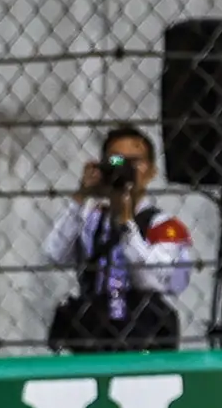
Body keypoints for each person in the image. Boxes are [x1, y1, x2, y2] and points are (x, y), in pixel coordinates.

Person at [40, 123, 193, 351]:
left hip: (143, 333)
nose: (126, 169)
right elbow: (54, 254)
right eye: (117, 161)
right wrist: (81, 197)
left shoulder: (165, 226)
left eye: (136, 162)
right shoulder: (92, 218)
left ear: (152, 171)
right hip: (93, 330)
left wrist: (126, 223)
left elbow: (156, 281)